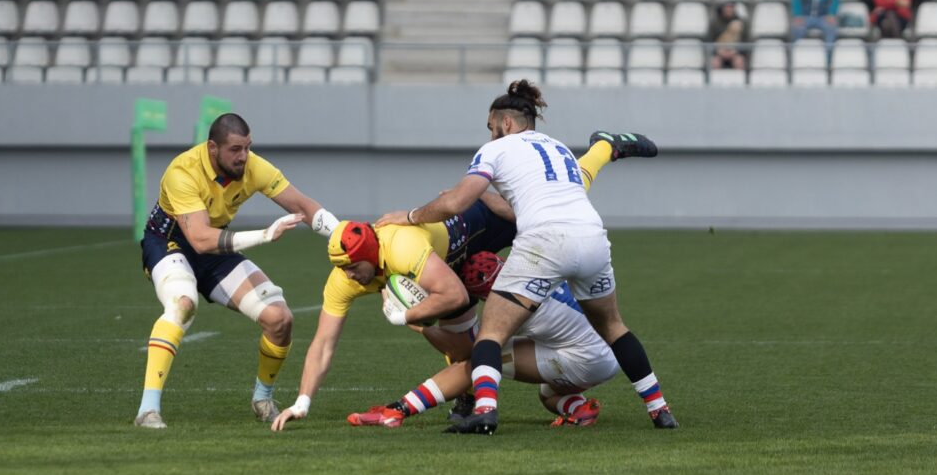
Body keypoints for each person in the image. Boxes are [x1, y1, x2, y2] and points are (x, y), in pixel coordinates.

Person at [270, 131, 659, 431]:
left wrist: (410, 320)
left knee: (481, 354)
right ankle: (604, 148)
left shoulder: (501, 294)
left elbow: (457, 305)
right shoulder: (525, 273)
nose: (348, 276)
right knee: (542, 390)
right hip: (584, 325)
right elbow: (324, 341)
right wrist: (303, 400)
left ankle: (467, 408)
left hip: (482, 246)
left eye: (353, 268)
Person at [375, 80, 678, 434]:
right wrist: (490, 198)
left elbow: (455, 202)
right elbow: (529, 202)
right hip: (592, 237)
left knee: (491, 333)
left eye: (491, 128)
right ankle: (660, 410)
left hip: (545, 242)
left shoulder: (495, 151)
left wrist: (409, 216)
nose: (490, 136)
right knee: (613, 327)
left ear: (505, 123)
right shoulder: (559, 149)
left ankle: (484, 411)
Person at [134, 112, 340, 429]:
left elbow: (301, 204)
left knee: (279, 318)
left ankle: (262, 399)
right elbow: (199, 239)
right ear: (212, 148)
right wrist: (264, 235)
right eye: (235, 149)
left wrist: (346, 235)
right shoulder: (183, 171)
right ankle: (148, 410)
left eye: (247, 147)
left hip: (215, 246)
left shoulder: (253, 166)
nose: (243, 156)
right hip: (169, 243)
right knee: (183, 304)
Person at [346, 251, 672, 431]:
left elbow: (463, 350)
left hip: (582, 358)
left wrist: (414, 321)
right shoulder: (529, 269)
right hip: (603, 350)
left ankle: (398, 411)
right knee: (549, 394)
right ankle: (581, 409)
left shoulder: (511, 306)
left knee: (475, 362)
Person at [709, 2, 748, 70]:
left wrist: (734, 52)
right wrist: (719, 52)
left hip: (735, 52)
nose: (729, 9)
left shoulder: (740, 22)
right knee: (714, 62)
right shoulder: (715, 23)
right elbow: (710, 40)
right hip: (719, 52)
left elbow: (744, 41)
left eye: (731, 7)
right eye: (727, 7)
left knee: (739, 61)